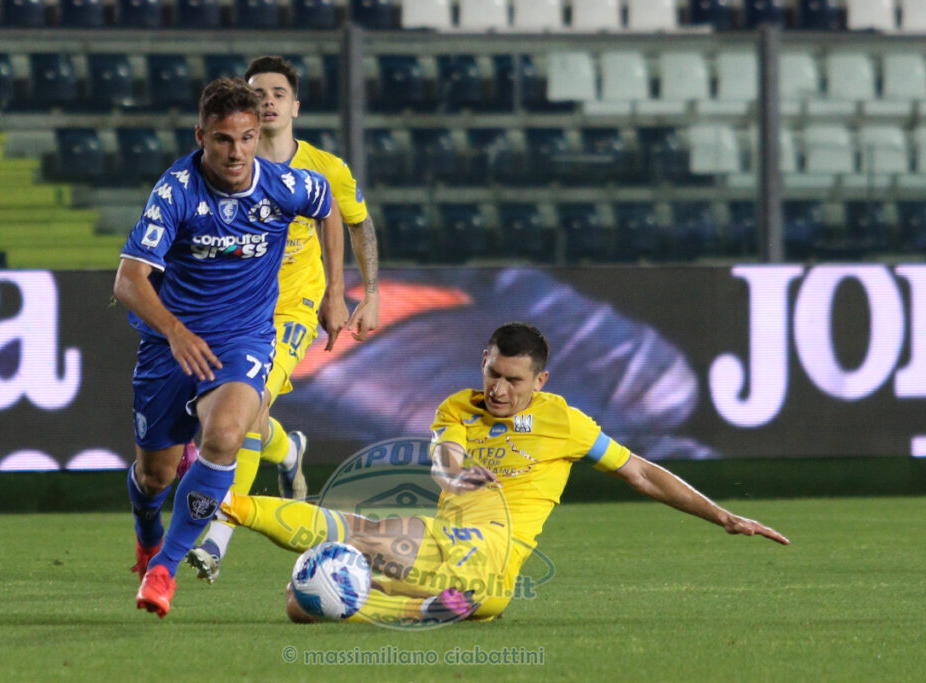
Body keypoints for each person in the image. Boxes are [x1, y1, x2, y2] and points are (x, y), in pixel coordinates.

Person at [216, 322, 790, 625]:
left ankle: (233, 508)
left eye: (514, 380)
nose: (498, 389)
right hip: (447, 551)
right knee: (307, 598)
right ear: (483, 364)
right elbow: (444, 455)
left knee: (359, 540)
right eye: (493, 373)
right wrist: (452, 470)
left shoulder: (565, 422)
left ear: (540, 381)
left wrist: (722, 516)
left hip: (488, 557)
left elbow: (640, 472)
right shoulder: (458, 408)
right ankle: (436, 602)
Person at [114, 76, 348, 619]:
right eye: (223, 139)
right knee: (154, 477)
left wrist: (335, 292)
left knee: (224, 436)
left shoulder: (283, 185)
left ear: (257, 134)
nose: (237, 152)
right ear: (201, 136)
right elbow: (128, 280)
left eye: (246, 138)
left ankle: (165, 568)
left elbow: (329, 206)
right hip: (171, 343)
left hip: (244, 338)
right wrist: (175, 331)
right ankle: (148, 531)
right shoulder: (176, 191)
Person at [185, 55, 380, 583]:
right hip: (234, 307)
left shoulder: (325, 169)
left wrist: (358, 294)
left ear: (295, 106)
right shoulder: (222, 164)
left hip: (292, 309)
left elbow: (357, 224)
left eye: (278, 93)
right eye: (258, 93)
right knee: (236, 416)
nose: (268, 101)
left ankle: (216, 539)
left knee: (246, 409)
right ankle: (287, 449)